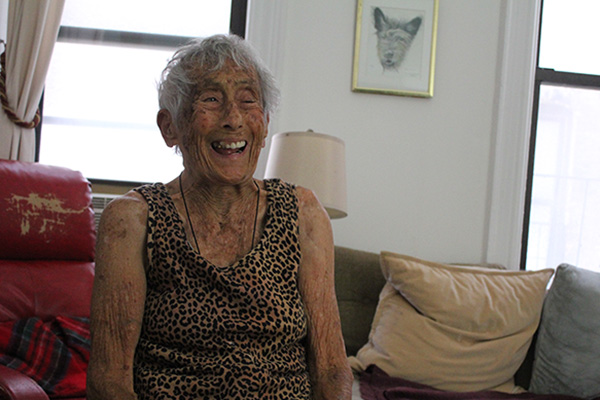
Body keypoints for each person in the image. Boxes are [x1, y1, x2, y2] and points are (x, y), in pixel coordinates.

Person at [86, 34, 353, 399]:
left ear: (265, 124)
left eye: (248, 101)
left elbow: (332, 370)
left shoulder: (302, 212)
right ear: (170, 127)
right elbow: (109, 382)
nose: (233, 119)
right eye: (211, 100)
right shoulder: (132, 221)